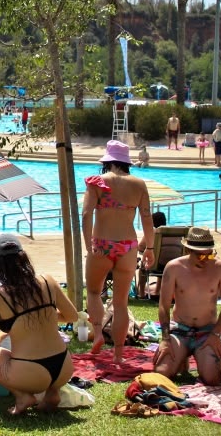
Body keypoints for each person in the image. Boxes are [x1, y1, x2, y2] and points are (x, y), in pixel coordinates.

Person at [0, 234, 78, 415]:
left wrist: (3, 334)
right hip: (64, 369)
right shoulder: (47, 280)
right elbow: (72, 316)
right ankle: (52, 392)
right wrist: (42, 315)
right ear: (24, 256)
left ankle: (22, 396)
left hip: (30, 375)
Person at [81, 140, 156, 363]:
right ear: (126, 163)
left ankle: (97, 333)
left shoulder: (97, 182)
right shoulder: (139, 184)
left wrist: (88, 245)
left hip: (101, 244)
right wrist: (150, 248)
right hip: (128, 246)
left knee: (94, 292)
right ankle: (119, 354)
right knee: (121, 302)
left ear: (108, 162)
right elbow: (147, 218)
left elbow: (86, 215)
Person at [154, 227, 221, 385]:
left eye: (209, 254)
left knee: (212, 378)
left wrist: (216, 334)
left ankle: (194, 357)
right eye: (200, 254)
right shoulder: (174, 267)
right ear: (188, 249)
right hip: (179, 330)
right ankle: (181, 357)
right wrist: (165, 339)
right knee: (161, 374)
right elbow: (163, 306)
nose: (205, 258)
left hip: (207, 331)